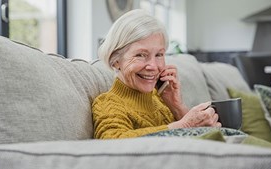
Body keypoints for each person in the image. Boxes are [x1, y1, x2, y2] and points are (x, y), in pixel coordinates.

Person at [92, 9, 221, 139]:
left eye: (159, 54)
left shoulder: (161, 98)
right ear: (115, 61)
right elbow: (112, 143)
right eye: (141, 55)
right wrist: (185, 124)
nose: (153, 66)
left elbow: (197, 143)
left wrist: (177, 107)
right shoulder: (108, 103)